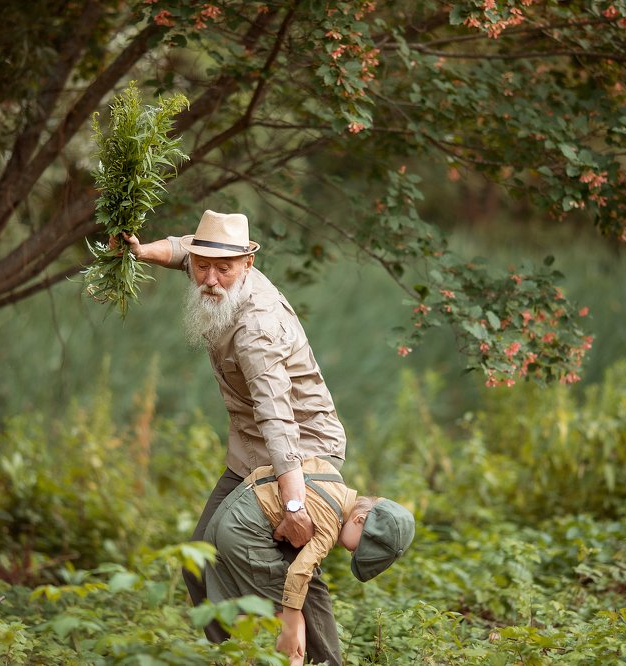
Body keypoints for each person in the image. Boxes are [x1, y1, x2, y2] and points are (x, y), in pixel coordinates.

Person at [118, 210, 349, 664]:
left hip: (300, 452)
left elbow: (278, 418)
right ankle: (236, 656)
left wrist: (296, 505)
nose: (209, 279)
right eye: (203, 266)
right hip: (252, 449)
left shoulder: (255, 329)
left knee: (292, 553)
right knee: (200, 556)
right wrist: (144, 251)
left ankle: (324, 659)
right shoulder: (212, 268)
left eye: (223, 269)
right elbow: (187, 248)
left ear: (248, 264)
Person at [204, 456, 415, 666]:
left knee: (247, 614)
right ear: (359, 520)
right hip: (247, 533)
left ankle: (232, 660)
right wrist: (291, 622)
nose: (353, 553)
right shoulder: (330, 526)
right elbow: (298, 572)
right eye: (359, 548)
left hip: (225, 516)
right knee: (294, 625)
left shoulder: (330, 475)